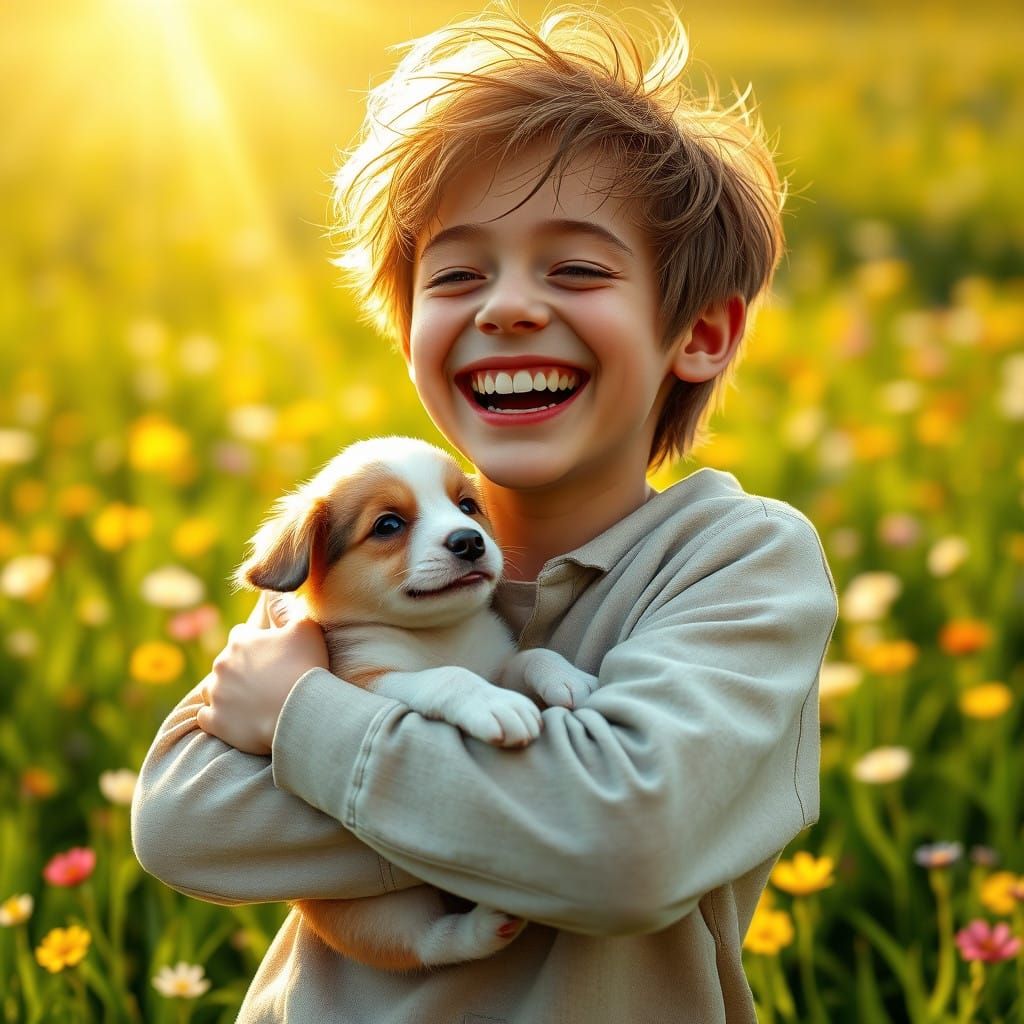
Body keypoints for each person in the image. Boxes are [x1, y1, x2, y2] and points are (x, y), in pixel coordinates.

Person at [131, 4, 838, 1021]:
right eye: (457, 273)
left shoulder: (735, 563)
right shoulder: (346, 559)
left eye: (578, 268)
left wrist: (304, 724)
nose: (506, 306)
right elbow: (184, 823)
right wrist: (526, 806)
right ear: (409, 326)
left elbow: (622, 847)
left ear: (700, 332)